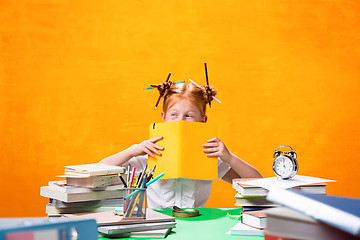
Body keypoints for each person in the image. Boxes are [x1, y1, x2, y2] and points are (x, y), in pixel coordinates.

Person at [100, 81, 262, 208]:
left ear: (202, 121)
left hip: (197, 224)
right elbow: (99, 171)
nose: (180, 121)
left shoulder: (209, 155)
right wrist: (133, 151)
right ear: (164, 117)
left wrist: (229, 157)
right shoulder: (151, 152)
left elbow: (258, 183)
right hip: (159, 223)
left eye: (189, 115)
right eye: (174, 114)